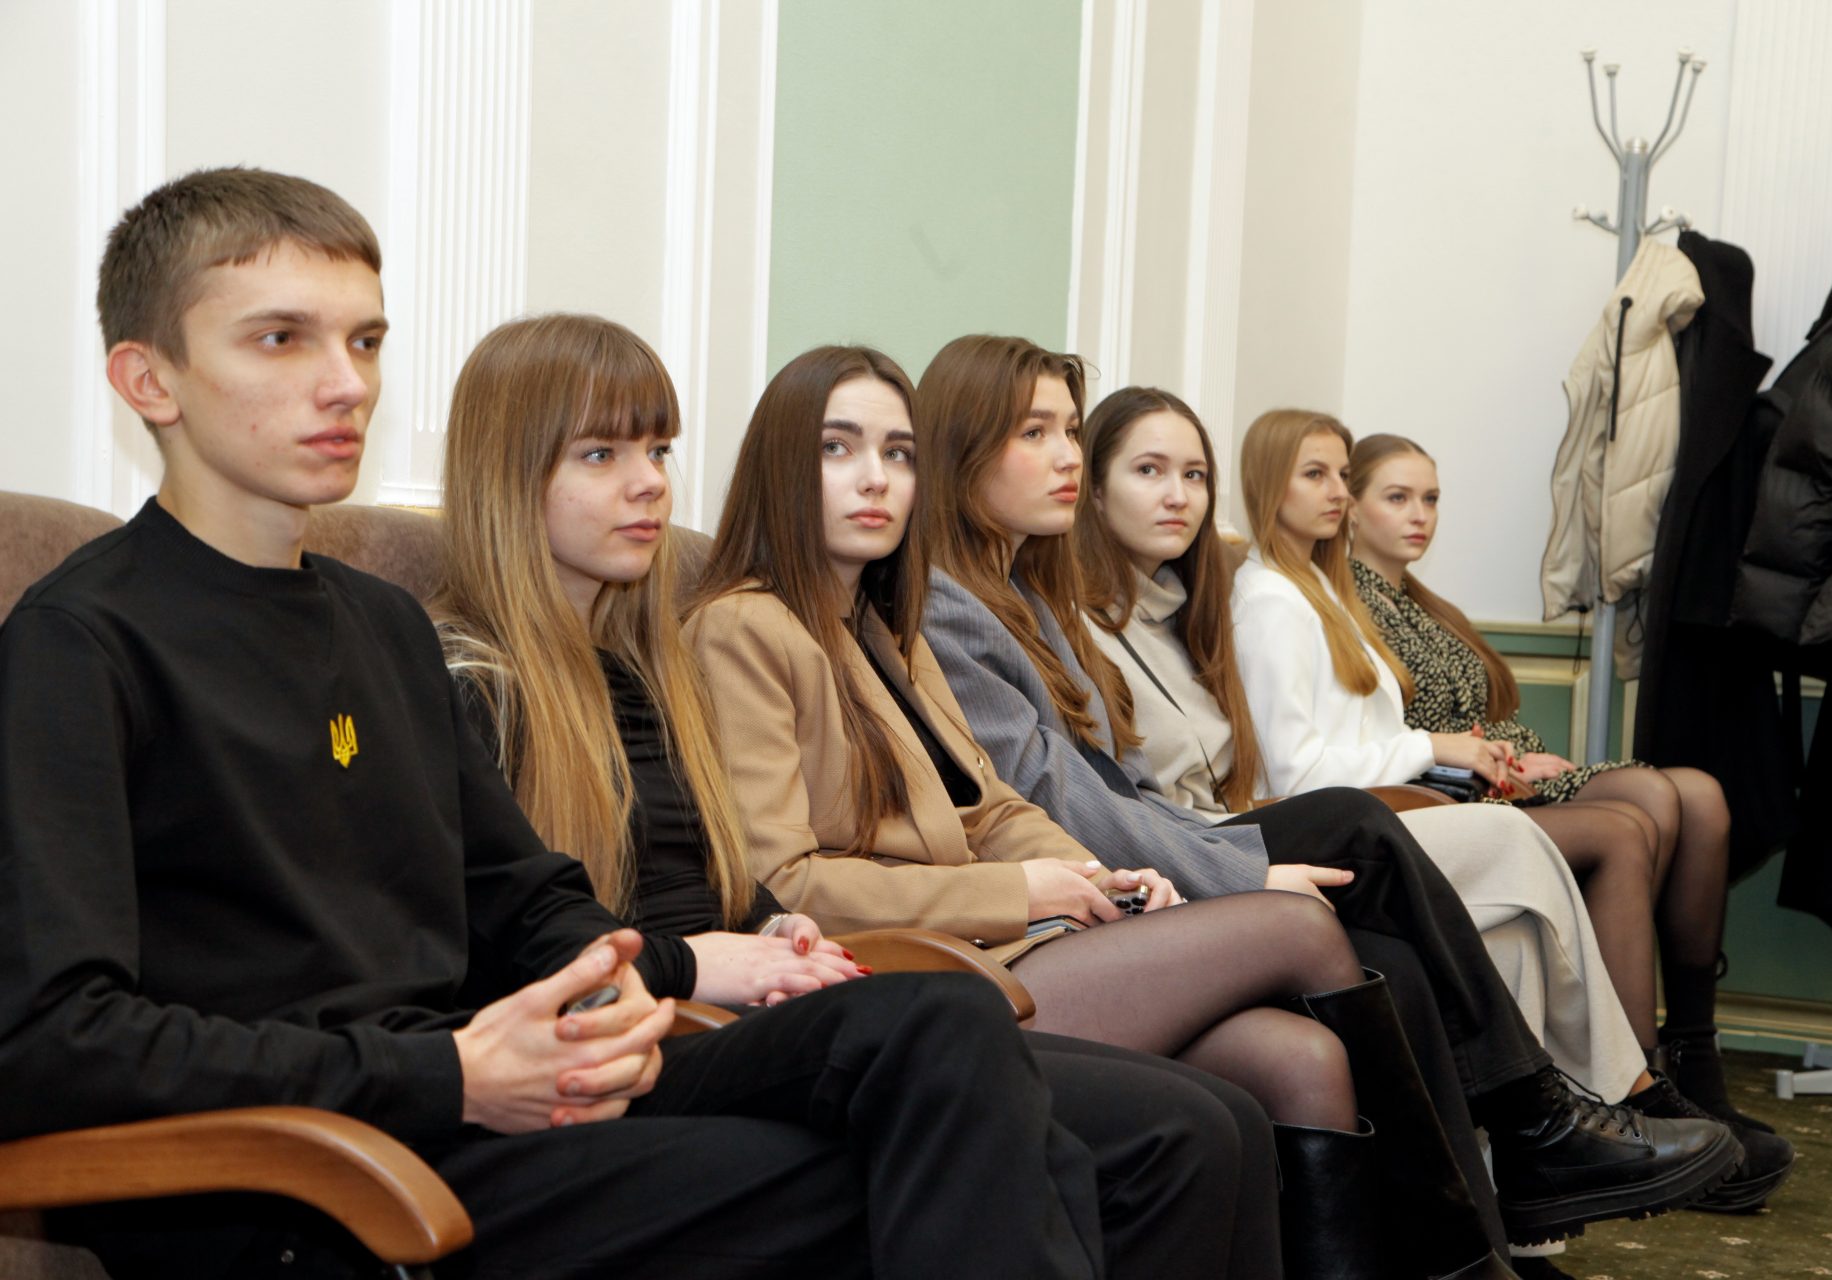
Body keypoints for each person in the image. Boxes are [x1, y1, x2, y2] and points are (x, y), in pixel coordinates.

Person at [0, 168, 1215, 1280]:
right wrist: (450, 1070)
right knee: (967, 1164)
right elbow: (49, 1038)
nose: (348, 382)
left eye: (365, 340)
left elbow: (524, 896)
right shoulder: (81, 641)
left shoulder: (380, 622)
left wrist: (630, 977)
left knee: (941, 1026)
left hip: (477, 1098)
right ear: (148, 379)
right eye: (282, 339)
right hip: (312, 1177)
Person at [429, 310, 1284, 1280]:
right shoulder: (473, 679)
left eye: (659, 450)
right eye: (601, 453)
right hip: (670, 1024)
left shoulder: (654, 662)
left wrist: (772, 924)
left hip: (763, 991)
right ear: (511, 473)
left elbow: (761, 862)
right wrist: (717, 951)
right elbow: (538, 929)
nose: (650, 481)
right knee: (981, 1025)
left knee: (1208, 1121)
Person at [684, 342, 1523, 1279]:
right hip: (913, 973)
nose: (876, 478)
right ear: (781, 465)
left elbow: (991, 806)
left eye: (898, 453)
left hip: (1007, 935)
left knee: (1297, 1060)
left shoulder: (882, 623)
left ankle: (1466, 1244)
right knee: (1300, 923)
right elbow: (783, 883)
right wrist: (1021, 891)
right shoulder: (743, 625)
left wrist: (1095, 874)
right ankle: (1475, 1251)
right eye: (839, 449)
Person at [906, 335, 1740, 1253]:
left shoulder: (1023, 589)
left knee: (1397, 957)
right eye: (1036, 433)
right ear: (961, 448)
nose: (1065, 454)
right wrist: (1236, 866)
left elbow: (1120, 782)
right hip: (1069, 896)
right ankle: (1542, 1126)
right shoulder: (950, 602)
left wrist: (1222, 853)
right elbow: (1056, 798)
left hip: (1144, 852)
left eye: (1070, 429)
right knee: (1358, 821)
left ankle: (1485, 1234)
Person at [1230, 410, 1792, 1212]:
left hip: (1405, 799)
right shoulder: (1275, 601)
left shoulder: (1319, 590)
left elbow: (1395, 730)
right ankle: (1635, 1091)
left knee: (1662, 808)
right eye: (1316, 475)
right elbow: (1297, 770)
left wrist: (1458, 751)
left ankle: (1653, 1084)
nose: (1338, 493)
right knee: (1617, 829)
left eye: (1342, 475)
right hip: (1364, 820)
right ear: (1266, 482)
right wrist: (1439, 750)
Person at [1071, 385, 1647, 1116]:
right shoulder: (1181, 612)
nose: (1178, 496)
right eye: (1149, 471)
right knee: (1513, 838)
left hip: (1248, 825)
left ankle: (1557, 1146)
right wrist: (1428, 750)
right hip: (1218, 847)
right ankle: (1624, 1095)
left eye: (1194, 475)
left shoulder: (1191, 610)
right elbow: (1265, 776)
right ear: (1094, 490)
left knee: (1518, 934)